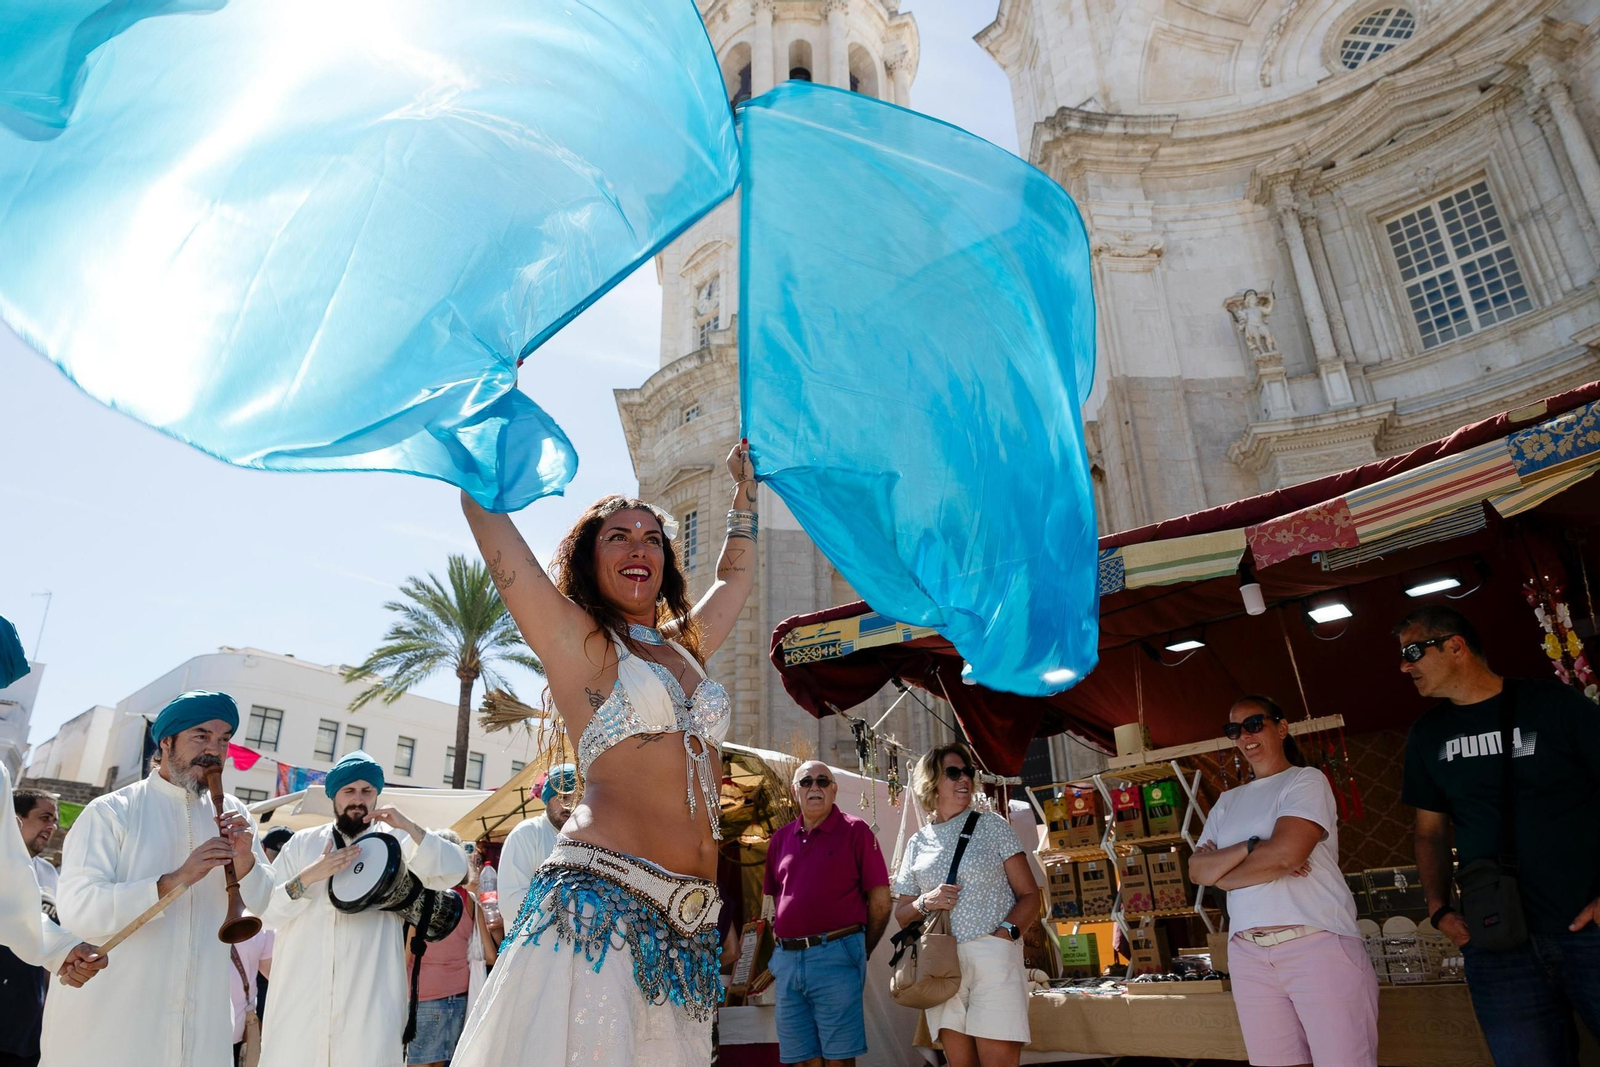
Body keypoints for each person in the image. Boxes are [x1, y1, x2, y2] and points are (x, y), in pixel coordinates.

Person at [451, 440, 756, 1067]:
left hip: (687, 926)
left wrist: (744, 495)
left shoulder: (686, 649)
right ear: (590, 561)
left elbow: (735, 577)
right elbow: (491, 527)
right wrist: (478, 444)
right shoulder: (577, 642)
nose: (639, 546)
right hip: (600, 906)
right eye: (617, 536)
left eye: (651, 536)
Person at [1397, 605, 1600, 1066]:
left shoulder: (1553, 704)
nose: (1404, 666)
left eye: (1412, 651)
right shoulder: (1428, 735)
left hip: (1587, 927)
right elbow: (1429, 833)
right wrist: (1438, 908)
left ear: (1455, 646)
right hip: (1496, 940)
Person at [40, 691, 271, 1067]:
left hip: (200, 1032)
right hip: (113, 1031)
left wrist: (246, 863)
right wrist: (175, 880)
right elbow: (79, 910)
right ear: (166, 742)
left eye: (224, 740)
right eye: (201, 736)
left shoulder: (236, 814)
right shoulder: (112, 812)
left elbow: (265, 906)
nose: (214, 750)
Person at [1189, 696, 1377, 1066]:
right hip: (1248, 951)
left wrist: (1225, 876)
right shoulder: (1227, 801)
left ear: (1282, 727)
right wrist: (1253, 846)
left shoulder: (1306, 780)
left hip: (1315, 940)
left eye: (1254, 724)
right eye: (1234, 730)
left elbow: (1287, 855)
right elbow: (1198, 871)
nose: (1244, 735)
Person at [258, 751, 468, 1067]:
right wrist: (312, 874)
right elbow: (267, 913)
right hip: (301, 997)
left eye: (367, 791)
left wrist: (409, 826)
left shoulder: (395, 843)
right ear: (334, 796)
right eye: (349, 791)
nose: (358, 799)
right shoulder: (302, 844)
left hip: (370, 998)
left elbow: (454, 869)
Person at [891, 743, 1038, 1067]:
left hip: (993, 955)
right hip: (941, 961)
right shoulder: (918, 843)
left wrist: (1004, 938)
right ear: (931, 781)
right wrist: (927, 901)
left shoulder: (993, 825)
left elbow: (1030, 895)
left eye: (968, 772)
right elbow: (902, 916)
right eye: (953, 772)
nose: (964, 779)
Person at [763, 760, 892, 1067]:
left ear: (834, 789)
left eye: (823, 781)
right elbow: (769, 903)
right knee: (802, 1060)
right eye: (806, 782)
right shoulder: (780, 839)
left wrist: (860, 948)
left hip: (836, 955)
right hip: (788, 961)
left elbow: (881, 901)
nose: (815, 787)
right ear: (795, 792)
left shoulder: (856, 831)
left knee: (838, 1060)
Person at [406, 830, 475, 1067]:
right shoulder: (470, 900)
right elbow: (487, 953)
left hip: (424, 993)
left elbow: (408, 955)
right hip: (460, 994)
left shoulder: (423, 899)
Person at [496, 763, 579, 926]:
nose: (570, 805)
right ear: (548, 799)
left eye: (577, 798)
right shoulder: (527, 834)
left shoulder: (585, 839)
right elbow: (510, 903)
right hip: (529, 948)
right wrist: (570, 907)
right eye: (563, 797)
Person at [228, 926, 272, 1067]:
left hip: (241, 1031)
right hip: (239, 1026)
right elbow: (272, 971)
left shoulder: (262, 920)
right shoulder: (260, 917)